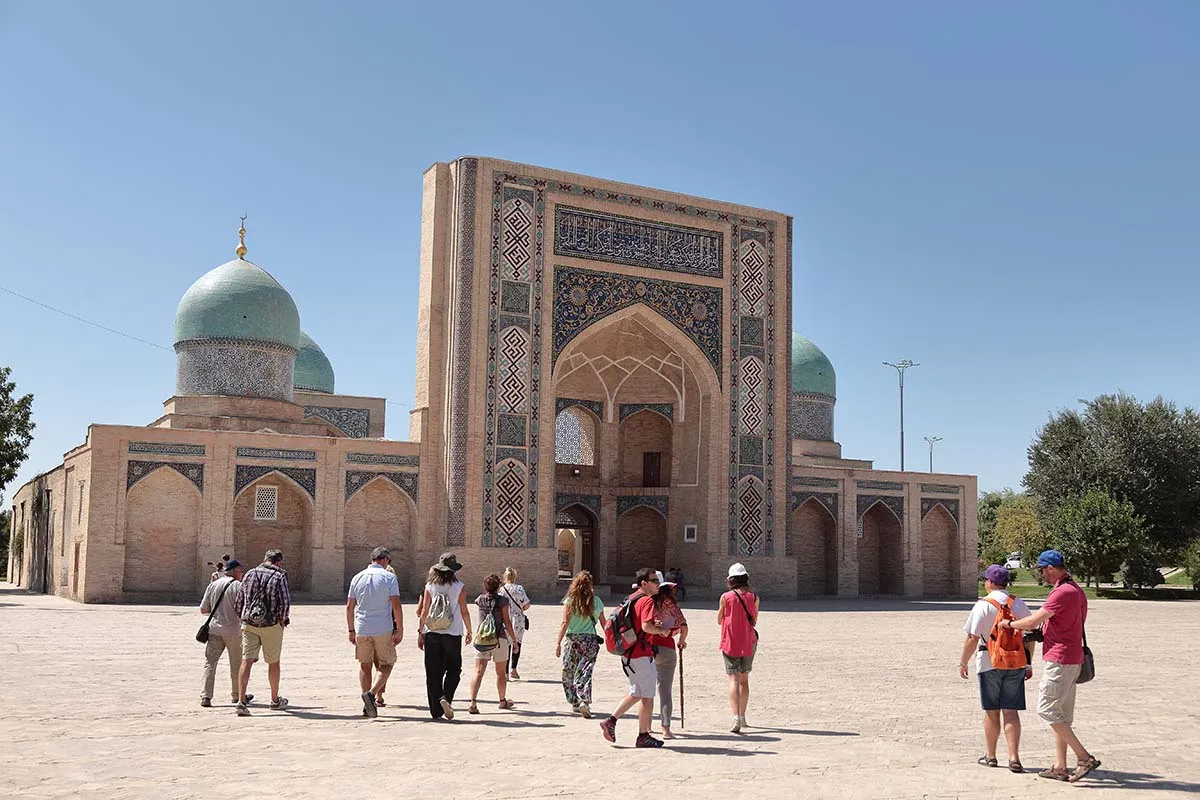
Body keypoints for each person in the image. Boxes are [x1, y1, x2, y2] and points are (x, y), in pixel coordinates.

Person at [1001, 550, 1101, 783]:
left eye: (1042, 571)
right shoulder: (1076, 590)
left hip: (1060, 659)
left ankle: (1084, 757)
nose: (1042, 576)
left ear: (1051, 569)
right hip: (1073, 656)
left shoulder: (1062, 592)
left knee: (1046, 709)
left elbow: (1034, 620)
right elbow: (1063, 623)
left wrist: (1010, 624)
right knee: (1062, 715)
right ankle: (1060, 766)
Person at [959, 565, 1033, 772]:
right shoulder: (1018, 604)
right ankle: (1014, 758)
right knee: (1011, 711)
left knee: (992, 712)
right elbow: (1029, 637)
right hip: (1015, 662)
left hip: (988, 661)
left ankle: (991, 756)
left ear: (990, 582)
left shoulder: (982, 606)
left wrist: (963, 662)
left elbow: (972, 638)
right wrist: (1028, 663)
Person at [598, 567, 669, 748]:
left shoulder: (632, 598)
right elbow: (645, 626)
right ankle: (643, 735)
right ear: (644, 583)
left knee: (637, 692)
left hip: (629, 653)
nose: (658, 584)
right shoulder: (646, 600)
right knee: (647, 695)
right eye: (654, 581)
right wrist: (662, 631)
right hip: (640, 654)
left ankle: (611, 722)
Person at [346, 547, 404, 718]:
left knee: (365, 665)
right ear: (384, 559)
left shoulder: (357, 577)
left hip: (362, 627)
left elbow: (350, 606)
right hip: (382, 628)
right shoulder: (389, 577)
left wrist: (351, 629)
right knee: (387, 664)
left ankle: (367, 706)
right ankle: (371, 694)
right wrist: (399, 629)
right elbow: (396, 604)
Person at [233, 548, 291, 716]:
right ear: (278, 562)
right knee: (273, 662)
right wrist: (283, 619)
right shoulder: (279, 576)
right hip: (271, 625)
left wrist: (242, 617)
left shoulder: (250, 574)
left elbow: (239, 600)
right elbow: (285, 601)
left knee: (246, 661)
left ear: (264, 559)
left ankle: (241, 702)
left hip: (249, 623)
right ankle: (274, 700)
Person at [416, 553, 472, 720]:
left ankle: (436, 709)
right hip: (453, 633)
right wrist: (469, 631)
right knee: (454, 669)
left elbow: (424, 612)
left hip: (432, 633)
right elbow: (464, 611)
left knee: (433, 672)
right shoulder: (459, 586)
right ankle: (446, 697)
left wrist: (420, 632)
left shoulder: (430, 586)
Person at [555, 570, 606, 717]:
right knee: (585, 671)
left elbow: (565, 623)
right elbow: (604, 624)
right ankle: (584, 700)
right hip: (590, 641)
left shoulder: (570, 600)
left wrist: (558, 642)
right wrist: (612, 639)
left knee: (568, 671)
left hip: (573, 640)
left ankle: (575, 702)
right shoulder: (597, 601)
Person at [199, 559, 249, 707]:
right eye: (241, 570)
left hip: (214, 630)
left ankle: (206, 696)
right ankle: (237, 695)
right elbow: (244, 611)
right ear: (234, 571)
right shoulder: (240, 587)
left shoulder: (213, 585)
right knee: (237, 664)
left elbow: (203, 609)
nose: (242, 573)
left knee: (210, 663)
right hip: (234, 631)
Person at [466, 573, 519, 713]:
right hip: (499, 638)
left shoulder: (480, 600)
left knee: (478, 671)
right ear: (498, 587)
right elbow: (507, 622)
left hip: (482, 638)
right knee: (500, 673)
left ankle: (473, 702)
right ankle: (502, 701)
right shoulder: (502, 601)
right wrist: (514, 640)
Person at [718, 562, 758, 733]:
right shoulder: (754, 597)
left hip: (730, 641)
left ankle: (735, 717)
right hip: (748, 641)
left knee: (733, 679)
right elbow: (755, 620)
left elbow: (719, 619)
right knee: (744, 679)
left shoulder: (725, 597)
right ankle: (742, 716)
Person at [650, 571, 688, 739]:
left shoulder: (646, 603)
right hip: (666, 648)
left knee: (647, 689)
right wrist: (682, 640)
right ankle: (665, 729)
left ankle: (647, 726)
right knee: (665, 690)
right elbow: (684, 625)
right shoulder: (672, 605)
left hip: (646, 648)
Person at [501, 567, 532, 680]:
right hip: (518, 620)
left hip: (506, 619)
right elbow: (527, 604)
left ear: (505, 577)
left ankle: (505, 674)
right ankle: (514, 669)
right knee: (517, 643)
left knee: (506, 646)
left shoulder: (502, 590)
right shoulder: (519, 589)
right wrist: (520, 609)